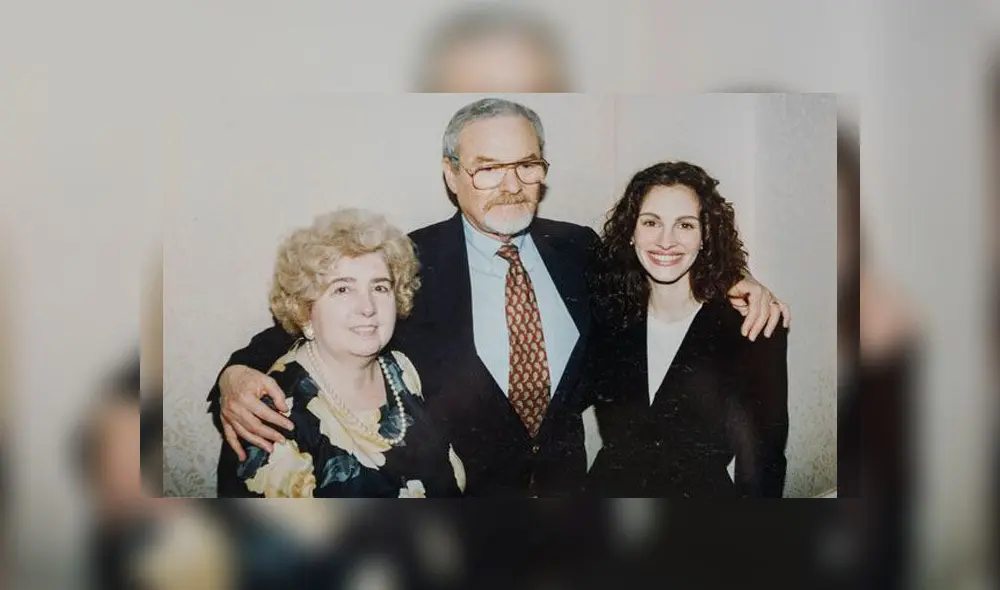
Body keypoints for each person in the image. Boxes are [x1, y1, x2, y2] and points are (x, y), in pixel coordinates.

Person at [208, 97, 789, 496]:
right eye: (487, 168)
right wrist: (236, 374)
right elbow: (307, 320)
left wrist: (739, 282)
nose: (511, 184)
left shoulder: (579, 249)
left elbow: (665, 265)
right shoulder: (407, 261)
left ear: (542, 170)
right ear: (451, 174)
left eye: (527, 164)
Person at [216, 208, 466, 497]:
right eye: (343, 290)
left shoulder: (403, 370)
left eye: (380, 287)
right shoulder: (271, 414)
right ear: (305, 310)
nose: (368, 307)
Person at [585, 161, 789, 497]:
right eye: (651, 222)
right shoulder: (607, 311)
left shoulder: (753, 325)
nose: (666, 241)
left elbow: (762, 463)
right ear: (631, 233)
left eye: (685, 225)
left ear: (705, 236)